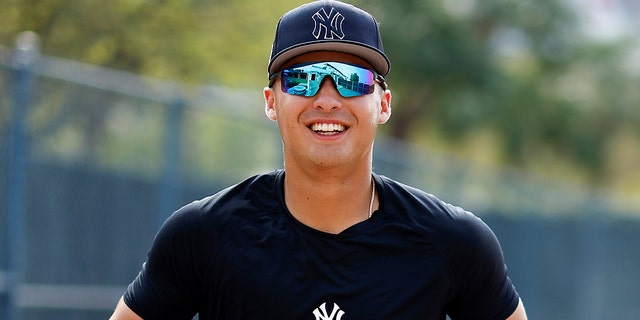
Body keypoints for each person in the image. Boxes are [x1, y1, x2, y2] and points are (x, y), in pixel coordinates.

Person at [110, 0, 528, 319]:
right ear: (272, 101)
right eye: (303, 78)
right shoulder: (203, 235)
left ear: (382, 104)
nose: (327, 100)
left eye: (351, 81)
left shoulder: (454, 242)